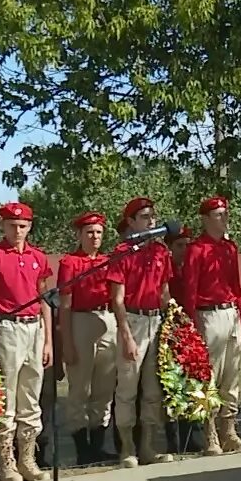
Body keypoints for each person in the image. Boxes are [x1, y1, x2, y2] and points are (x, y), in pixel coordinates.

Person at [0, 200, 53, 481]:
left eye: (23, 226)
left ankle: (27, 457)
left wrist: (48, 341)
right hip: (7, 327)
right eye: (12, 226)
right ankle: (6, 460)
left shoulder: (38, 257)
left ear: (29, 227)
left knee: (31, 396)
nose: (17, 231)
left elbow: (44, 300)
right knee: (7, 395)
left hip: (35, 328)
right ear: (3, 226)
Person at [173, 196, 241, 454]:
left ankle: (229, 431)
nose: (224, 218)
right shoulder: (197, 249)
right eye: (218, 214)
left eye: (225, 213)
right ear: (206, 219)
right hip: (207, 316)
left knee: (231, 376)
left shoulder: (230, 248)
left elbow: (237, 287)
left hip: (230, 313)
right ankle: (210, 434)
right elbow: (189, 290)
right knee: (209, 375)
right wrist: (192, 325)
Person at [106, 197, 177, 466]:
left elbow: (164, 292)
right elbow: (117, 299)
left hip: (156, 321)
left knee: (152, 389)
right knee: (127, 388)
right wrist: (125, 335)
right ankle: (127, 447)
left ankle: (148, 446)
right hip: (133, 321)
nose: (151, 222)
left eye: (153, 217)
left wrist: (171, 322)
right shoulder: (122, 252)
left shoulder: (160, 252)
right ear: (132, 222)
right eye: (145, 217)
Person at [58, 212, 118, 464]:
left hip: (106, 319)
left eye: (98, 233)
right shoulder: (70, 262)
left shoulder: (109, 260)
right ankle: (82, 448)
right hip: (80, 320)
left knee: (104, 388)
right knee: (79, 388)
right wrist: (67, 343)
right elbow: (65, 304)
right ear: (80, 235)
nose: (94, 237)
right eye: (89, 232)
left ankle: (98, 445)